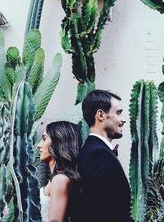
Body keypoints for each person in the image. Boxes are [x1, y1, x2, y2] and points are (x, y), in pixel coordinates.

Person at [77, 90, 133, 222]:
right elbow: (98, 211)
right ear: (101, 115)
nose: (123, 119)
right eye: (118, 113)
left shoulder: (96, 151)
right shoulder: (98, 154)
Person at [37, 121, 82, 222]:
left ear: (58, 142)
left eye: (44, 139)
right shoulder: (56, 178)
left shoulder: (60, 179)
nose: (39, 145)